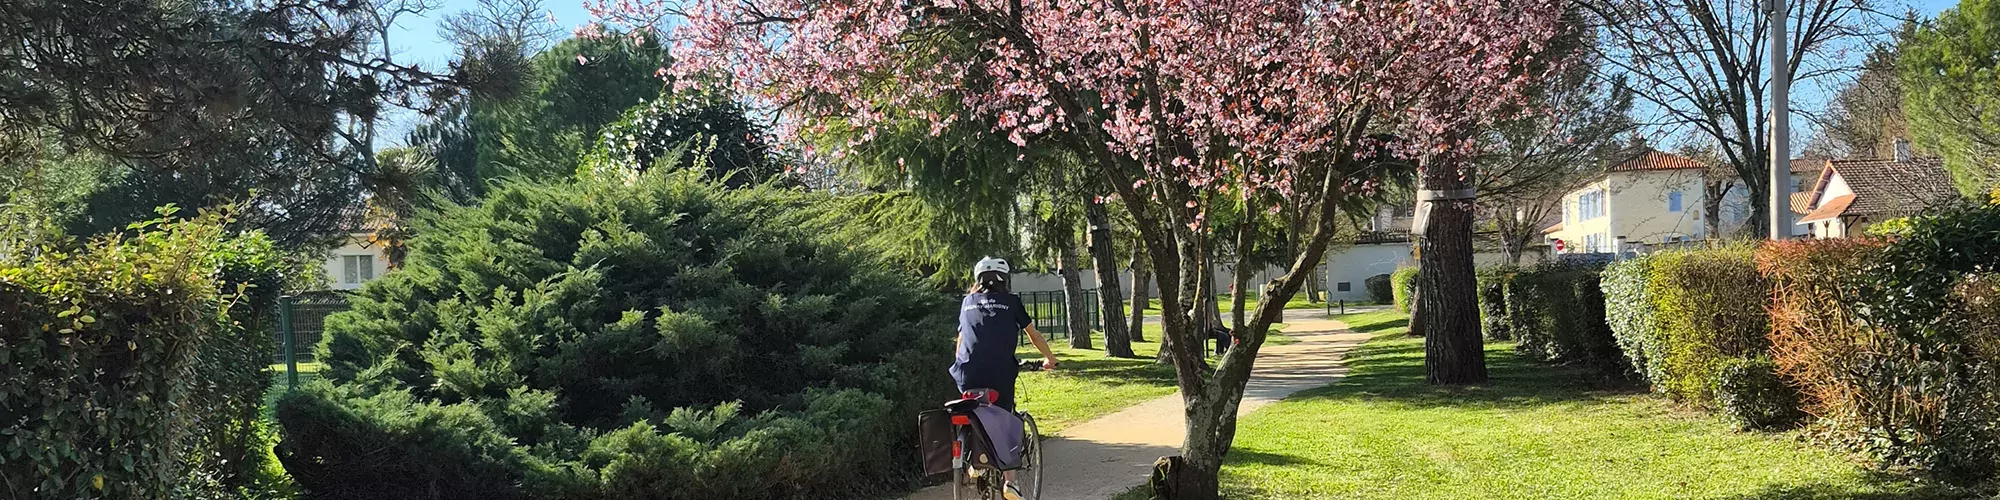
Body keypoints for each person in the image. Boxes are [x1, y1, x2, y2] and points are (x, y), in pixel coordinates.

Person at [952, 257, 1056, 500]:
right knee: (1006, 419)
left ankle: (974, 462)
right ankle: (1011, 483)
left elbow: (960, 341)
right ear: (1005, 279)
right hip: (999, 373)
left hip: (965, 372)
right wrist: (1049, 358)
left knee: (975, 411)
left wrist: (962, 366)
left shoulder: (967, 302)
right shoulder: (1012, 302)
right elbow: (1034, 335)